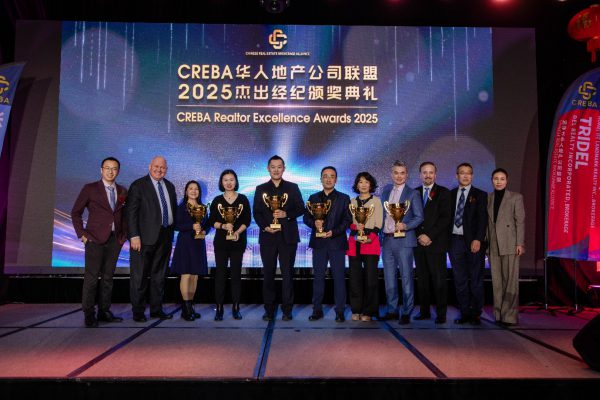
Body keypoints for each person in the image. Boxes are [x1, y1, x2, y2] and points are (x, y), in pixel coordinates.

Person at [71, 157, 127, 327]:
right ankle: (89, 314)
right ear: (101, 170)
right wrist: (82, 235)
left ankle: (104, 311)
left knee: (108, 278)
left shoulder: (123, 191)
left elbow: (124, 215)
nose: (111, 171)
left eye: (114, 168)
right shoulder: (90, 189)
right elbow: (76, 212)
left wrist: (123, 236)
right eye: (107, 168)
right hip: (94, 239)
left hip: (115, 240)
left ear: (118, 171)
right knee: (92, 278)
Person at [253, 155, 305, 321]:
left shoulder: (292, 187)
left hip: (288, 238)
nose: (276, 170)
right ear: (268, 169)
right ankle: (268, 309)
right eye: (273, 167)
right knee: (268, 274)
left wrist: (286, 214)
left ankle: (287, 309)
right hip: (268, 237)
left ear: (284, 168)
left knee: (287, 274)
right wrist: (265, 227)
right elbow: (257, 212)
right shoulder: (260, 188)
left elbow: (301, 209)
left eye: (279, 167)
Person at [127, 156, 177, 322]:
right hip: (142, 239)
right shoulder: (138, 185)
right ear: (149, 167)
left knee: (159, 276)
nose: (159, 170)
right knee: (139, 277)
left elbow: (173, 211)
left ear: (166, 169)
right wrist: (134, 235)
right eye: (156, 166)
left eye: (162, 167)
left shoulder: (169, 186)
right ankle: (138, 312)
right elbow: (131, 213)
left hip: (165, 237)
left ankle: (156, 309)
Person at [303, 166, 351, 322]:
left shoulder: (344, 198)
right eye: (325, 176)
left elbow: (347, 220)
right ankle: (317, 310)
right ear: (321, 179)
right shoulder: (313, 198)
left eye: (332, 176)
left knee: (339, 279)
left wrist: (334, 231)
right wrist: (314, 223)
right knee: (318, 278)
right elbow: (306, 218)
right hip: (319, 244)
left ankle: (340, 311)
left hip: (337, 243)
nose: (328, 179)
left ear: (336, 179)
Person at [380, 161, 424, 324]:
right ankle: (392, 310)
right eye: (396, 173)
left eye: (402, 173)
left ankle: (406, 311)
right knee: (389, 278)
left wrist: (405, 226)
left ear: (407, 175)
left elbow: (419, 217)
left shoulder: (413, 194)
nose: (399, 176)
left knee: (406, 277)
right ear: (391, 174)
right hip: (387, 240)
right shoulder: (385, 192)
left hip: (404, 241)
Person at [209, 169, 251, 321]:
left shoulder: (243, 199)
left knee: (236, 275)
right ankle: (219, 308)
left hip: (238, 242)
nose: (228, 182)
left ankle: (236, 307)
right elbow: (211, 220)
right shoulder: (217, 200)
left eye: (231, 179)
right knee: (220, 275)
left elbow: (247, 220)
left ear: (236, 181)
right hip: (221, 242)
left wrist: (237, 232)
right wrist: (223, 226)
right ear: (221, 182)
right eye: (225, 180)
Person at [448, 162, 488, 326]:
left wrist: (478, 239)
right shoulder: (450, 194)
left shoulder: (480, 194)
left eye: (468, 173)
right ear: (457, 176)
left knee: (476, 278)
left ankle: (476, 313)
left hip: (473, 242)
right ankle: (464, 312)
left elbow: (483, 219)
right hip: (454, 241)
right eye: (462, 173)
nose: (465, 176)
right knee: (460, 279)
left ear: (472, 176)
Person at [413, 161, 452, 324]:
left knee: (439, 280)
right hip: (418, 244)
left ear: (435, 175)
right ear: (420, 175)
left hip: (436, 244)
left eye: (431, 172)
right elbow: (410, 217)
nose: (427, 175)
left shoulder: (444, 193)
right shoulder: (414, 192)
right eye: (424, 172)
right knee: (422, 280)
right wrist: (419, 235)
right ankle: (424, 312)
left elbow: (445, 218)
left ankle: (441, 314)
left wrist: (429, 235)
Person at [487, 168, 525, 326]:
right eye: (496, 178)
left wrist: (520, 243)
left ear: (507, 180)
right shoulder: (488, 198)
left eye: (502, 178)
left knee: (510, 281)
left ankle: (509, 316)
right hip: (493, 244)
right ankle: (498, 314)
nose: (499, 181)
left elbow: (520, 221)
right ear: (492, 180)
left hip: (510, 243)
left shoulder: (516, 197)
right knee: (497, 281)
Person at [171, 181, 210, 321]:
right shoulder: (181, 207)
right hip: (185, 243)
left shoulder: (203, 207)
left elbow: (207, 224)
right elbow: (176, 225)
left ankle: (190, 307)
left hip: (198, 243)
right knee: (186, 275)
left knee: (195, 276)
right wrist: (191, 226)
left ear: (199, 192)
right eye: (190, 188)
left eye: (196, 189)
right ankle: (186, 308)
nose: (194, 191)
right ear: (186, 191)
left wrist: (204, 231)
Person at [347, 172, 383, 322]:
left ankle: (369, 311)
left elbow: (379, 223)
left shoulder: (377, 201)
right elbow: (348, 222)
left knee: (370, 279)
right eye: (360, 182)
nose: (363, 185)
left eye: (366, 182)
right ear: (356, 185)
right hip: (354, 242)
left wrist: (370, 238)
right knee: (355, 278)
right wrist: (355, 227)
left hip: (371, 242)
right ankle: (356, 309)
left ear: (371, 185)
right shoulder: (352, 202)